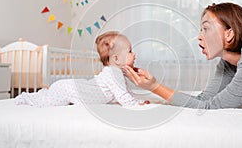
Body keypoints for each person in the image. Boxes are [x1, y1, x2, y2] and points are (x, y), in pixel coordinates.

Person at [123, 2, 242, 111]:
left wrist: (154, 87)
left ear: (229, 34)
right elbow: (205, 100)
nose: (199, 36)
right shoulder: (228, 63)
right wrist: (155, 86)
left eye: (205, 28)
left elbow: (213, 107)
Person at [15, 31, 149, 107]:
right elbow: (123, 97)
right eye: (130, 51)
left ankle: (43, 93)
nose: (134, 54)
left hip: (73, 88)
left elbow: (125, 92)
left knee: (49, 96)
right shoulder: (113, 73)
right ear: (116, 59)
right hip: (69, 90)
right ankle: (25, 98)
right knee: (46, 102)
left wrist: (139, 101)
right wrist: (135, 105)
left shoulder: (118, 73)